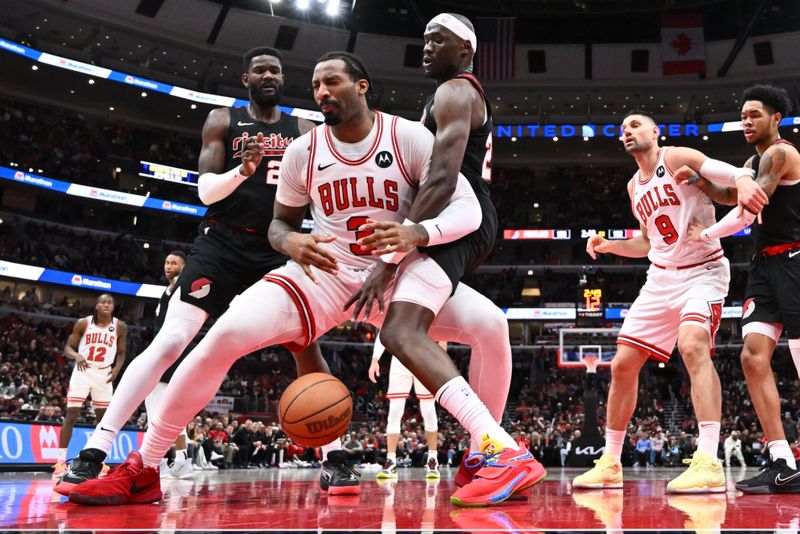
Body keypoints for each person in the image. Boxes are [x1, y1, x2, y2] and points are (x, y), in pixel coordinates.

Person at [65, 51, 542, 507]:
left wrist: (411, 235)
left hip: (396, 273)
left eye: (331, 81)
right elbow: (279, 225)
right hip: (324, 274)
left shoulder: (408, 137)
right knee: (224, 335)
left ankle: (487, 455)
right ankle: (145, 466)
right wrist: (291, 243)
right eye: (315, 85)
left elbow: (469, 208)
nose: (321, 91)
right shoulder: (302, 150)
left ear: (361, 86)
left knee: (492, 326)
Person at [55, 46, 322, 495]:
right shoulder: (223, 120)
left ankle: (336, 457)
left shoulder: (306, 130)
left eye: (276, 70)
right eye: (260, 69)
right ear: (246, 79)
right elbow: (204, 192)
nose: (269, 75)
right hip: (221, 242)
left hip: (277, 245)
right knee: (172, 339)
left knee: (306, 342)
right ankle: (95, 452)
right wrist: (244, 169)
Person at [344, 13, 513, 490]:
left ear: (466, 50)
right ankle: (489, 450)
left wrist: (389, 258)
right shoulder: (447, 93)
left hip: (459, 214)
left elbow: (442, 178)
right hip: (459, 215)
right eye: (424, 40)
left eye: (437, 41)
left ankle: (496, 450)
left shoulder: (456, 90)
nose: (425, 47)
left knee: (401, 327)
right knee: (489, 326)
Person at [572, 109, 767, 493]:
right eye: (622, 129)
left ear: (655, 131)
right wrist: (609, 245)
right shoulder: (633, 188)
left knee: (692, 345)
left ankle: (709, 461)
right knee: (623, 365)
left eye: (635, 125)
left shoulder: (675, 156)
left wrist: (745, 180)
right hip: (660, 277)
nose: (627, 131)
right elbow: (648, 243)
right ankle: (610, 462)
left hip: (702, 271)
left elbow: (726, 171)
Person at [685, 85, 800, 493]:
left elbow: (751, 207)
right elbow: (731, 194)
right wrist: (699, 181)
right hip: (765, 265)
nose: (746, 121)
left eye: (754, 114)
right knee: (753, 357)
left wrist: (707, 235)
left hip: (794, 259)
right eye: (743, 115)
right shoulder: (752, 161)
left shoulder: (782, 153)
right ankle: (782, 460)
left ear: (775, 119)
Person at [54, 294, 127, 478]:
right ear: (96, 305)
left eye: (109, 302)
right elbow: (68, 348)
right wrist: (76, 355)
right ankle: (60, 461)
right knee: (71, 415)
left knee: (104, 420)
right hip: (83, 371)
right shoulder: (83, 323)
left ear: (113, 306)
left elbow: (121, 353)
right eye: (102, 301)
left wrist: (117, 369)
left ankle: (99, 462)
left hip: (104, 374)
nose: (106, 304)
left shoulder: (120, 326)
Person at [143, 250, 195, 479]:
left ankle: (158, 461)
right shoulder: (170, 289)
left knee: (155, 412)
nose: (168, 265)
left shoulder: (179, 287)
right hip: (172, 357)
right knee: (171, 412)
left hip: (167, 358)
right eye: (166, 262)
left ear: (184, 267)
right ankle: (181, 460)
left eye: (174, 263)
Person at [369, 333, 441, 480]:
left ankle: (433, 459)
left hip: (425, 358)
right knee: (394, 412)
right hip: (400, 358)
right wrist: (375, 359)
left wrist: (440, 361)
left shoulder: (430, 309)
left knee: (428, 409)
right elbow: (385, 331)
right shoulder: (396, 309)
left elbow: (443, 335)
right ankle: (390, 461)